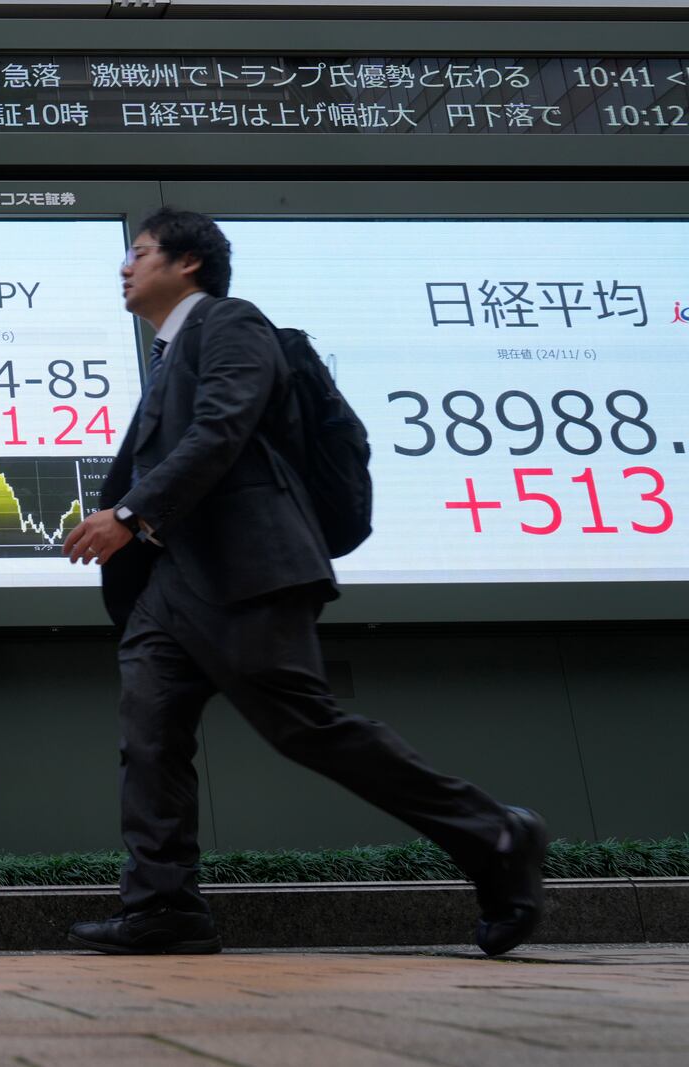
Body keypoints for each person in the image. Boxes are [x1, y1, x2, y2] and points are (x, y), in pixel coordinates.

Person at [60, 207, 546, 957]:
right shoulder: (170, 352)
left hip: (245, 569)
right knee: (149, 739)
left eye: (141, 252)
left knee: (305, 727)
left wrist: (129, 510)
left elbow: (220, 427)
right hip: (173, 579)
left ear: (188, 263)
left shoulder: (230, 323)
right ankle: (163, 907)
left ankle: (497, 833)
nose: (125, 267)